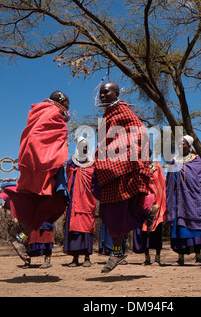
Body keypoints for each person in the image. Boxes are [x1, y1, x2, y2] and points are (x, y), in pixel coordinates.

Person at [92, 81, 155, 273]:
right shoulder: (107, 114)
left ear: (116, 93)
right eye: (101, 93)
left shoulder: (124, 111)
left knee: (127, 204)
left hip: (124, 163)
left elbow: (139, 133)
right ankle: (118, 252)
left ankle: (148, 208)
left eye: (106, 92)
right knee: (111, 213)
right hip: (109, 167)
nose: (102, 95)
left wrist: (132, 155)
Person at [0, 91, 70, 262]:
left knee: (41, 206)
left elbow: (32, 138)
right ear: (62, 101)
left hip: (38, 164)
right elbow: (40, 138)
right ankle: (18, 232)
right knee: (53, 202)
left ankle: (19, 238)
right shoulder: (52, 112)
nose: (68, 107)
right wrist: (50, 157)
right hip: (47, 165)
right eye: (67, 103)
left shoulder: (40, 113)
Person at [166, 135, 201, 266]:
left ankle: (198, 257)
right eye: (178, 144)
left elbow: (198, 179)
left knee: (195, 228)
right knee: (179, 228)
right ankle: (180, 258)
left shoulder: (197, 161)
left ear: (189, 145)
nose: (180, 146)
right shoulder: (173, 161)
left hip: (193, 200)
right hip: (178, 201)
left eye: (183, 144)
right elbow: (170, 182)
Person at [64, 137, 96, 267]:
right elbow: (68, 174)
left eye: (86, 147)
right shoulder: (71, 163)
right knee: (74, 227)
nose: (84, 149)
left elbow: (94, 179)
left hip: (87, 199)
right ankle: (75, 258)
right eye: (81, 147)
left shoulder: (92, 163)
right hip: (74, 199)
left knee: (86, 226)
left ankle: (87, 258)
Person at [133, 149, 167, 266]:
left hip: (156, 202)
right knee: (144, 231)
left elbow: (161, 184)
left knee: (157, 230)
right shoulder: (138, 167)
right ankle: (147, 258)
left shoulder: (157, 166)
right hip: (143, 203)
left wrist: (161, 202)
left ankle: (157, 258)